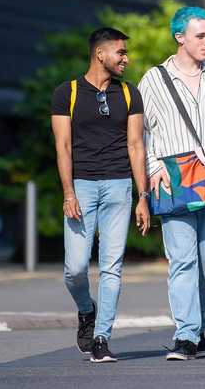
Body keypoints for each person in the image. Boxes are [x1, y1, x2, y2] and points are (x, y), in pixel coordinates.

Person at [138, 6, 205, 360]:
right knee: (182, 261)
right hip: (175, 183)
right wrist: (154, 169)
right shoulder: (153, 80)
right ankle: (186, 335)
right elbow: (140, 134)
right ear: (179, 37)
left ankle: (194, 327)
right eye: (201, 35)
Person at [50, 27, 151, 363]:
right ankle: (85, 309)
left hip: (120, 187)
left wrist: (143, 196)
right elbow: (63, 147)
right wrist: (68, 192)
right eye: (121, 53)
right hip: (81, 186)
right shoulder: (67, 93)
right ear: (100, 54)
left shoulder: (129, 94)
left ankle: (101, 338)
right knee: (75, 268)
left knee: (112, 267)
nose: (126, 59)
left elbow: (137, 146)